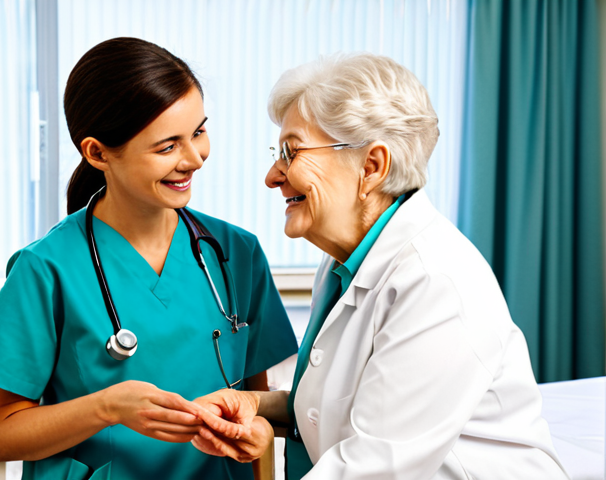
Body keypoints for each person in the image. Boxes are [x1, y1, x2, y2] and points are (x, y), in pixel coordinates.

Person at [192, 53, 569, 479]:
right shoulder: (344, 262)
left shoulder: (436, 282)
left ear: (371, 167)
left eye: (291, 152)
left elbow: (372, 466)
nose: (273, 175)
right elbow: (344, 404)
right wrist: (259, 404)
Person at [0, 37, 297, 480]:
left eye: (198, 131)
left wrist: (257, 435)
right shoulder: (46, 269)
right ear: (98, 153)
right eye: (167, 147)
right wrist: (108, 406)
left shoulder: (237, 253)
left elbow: (257, 409)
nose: (194, 158)